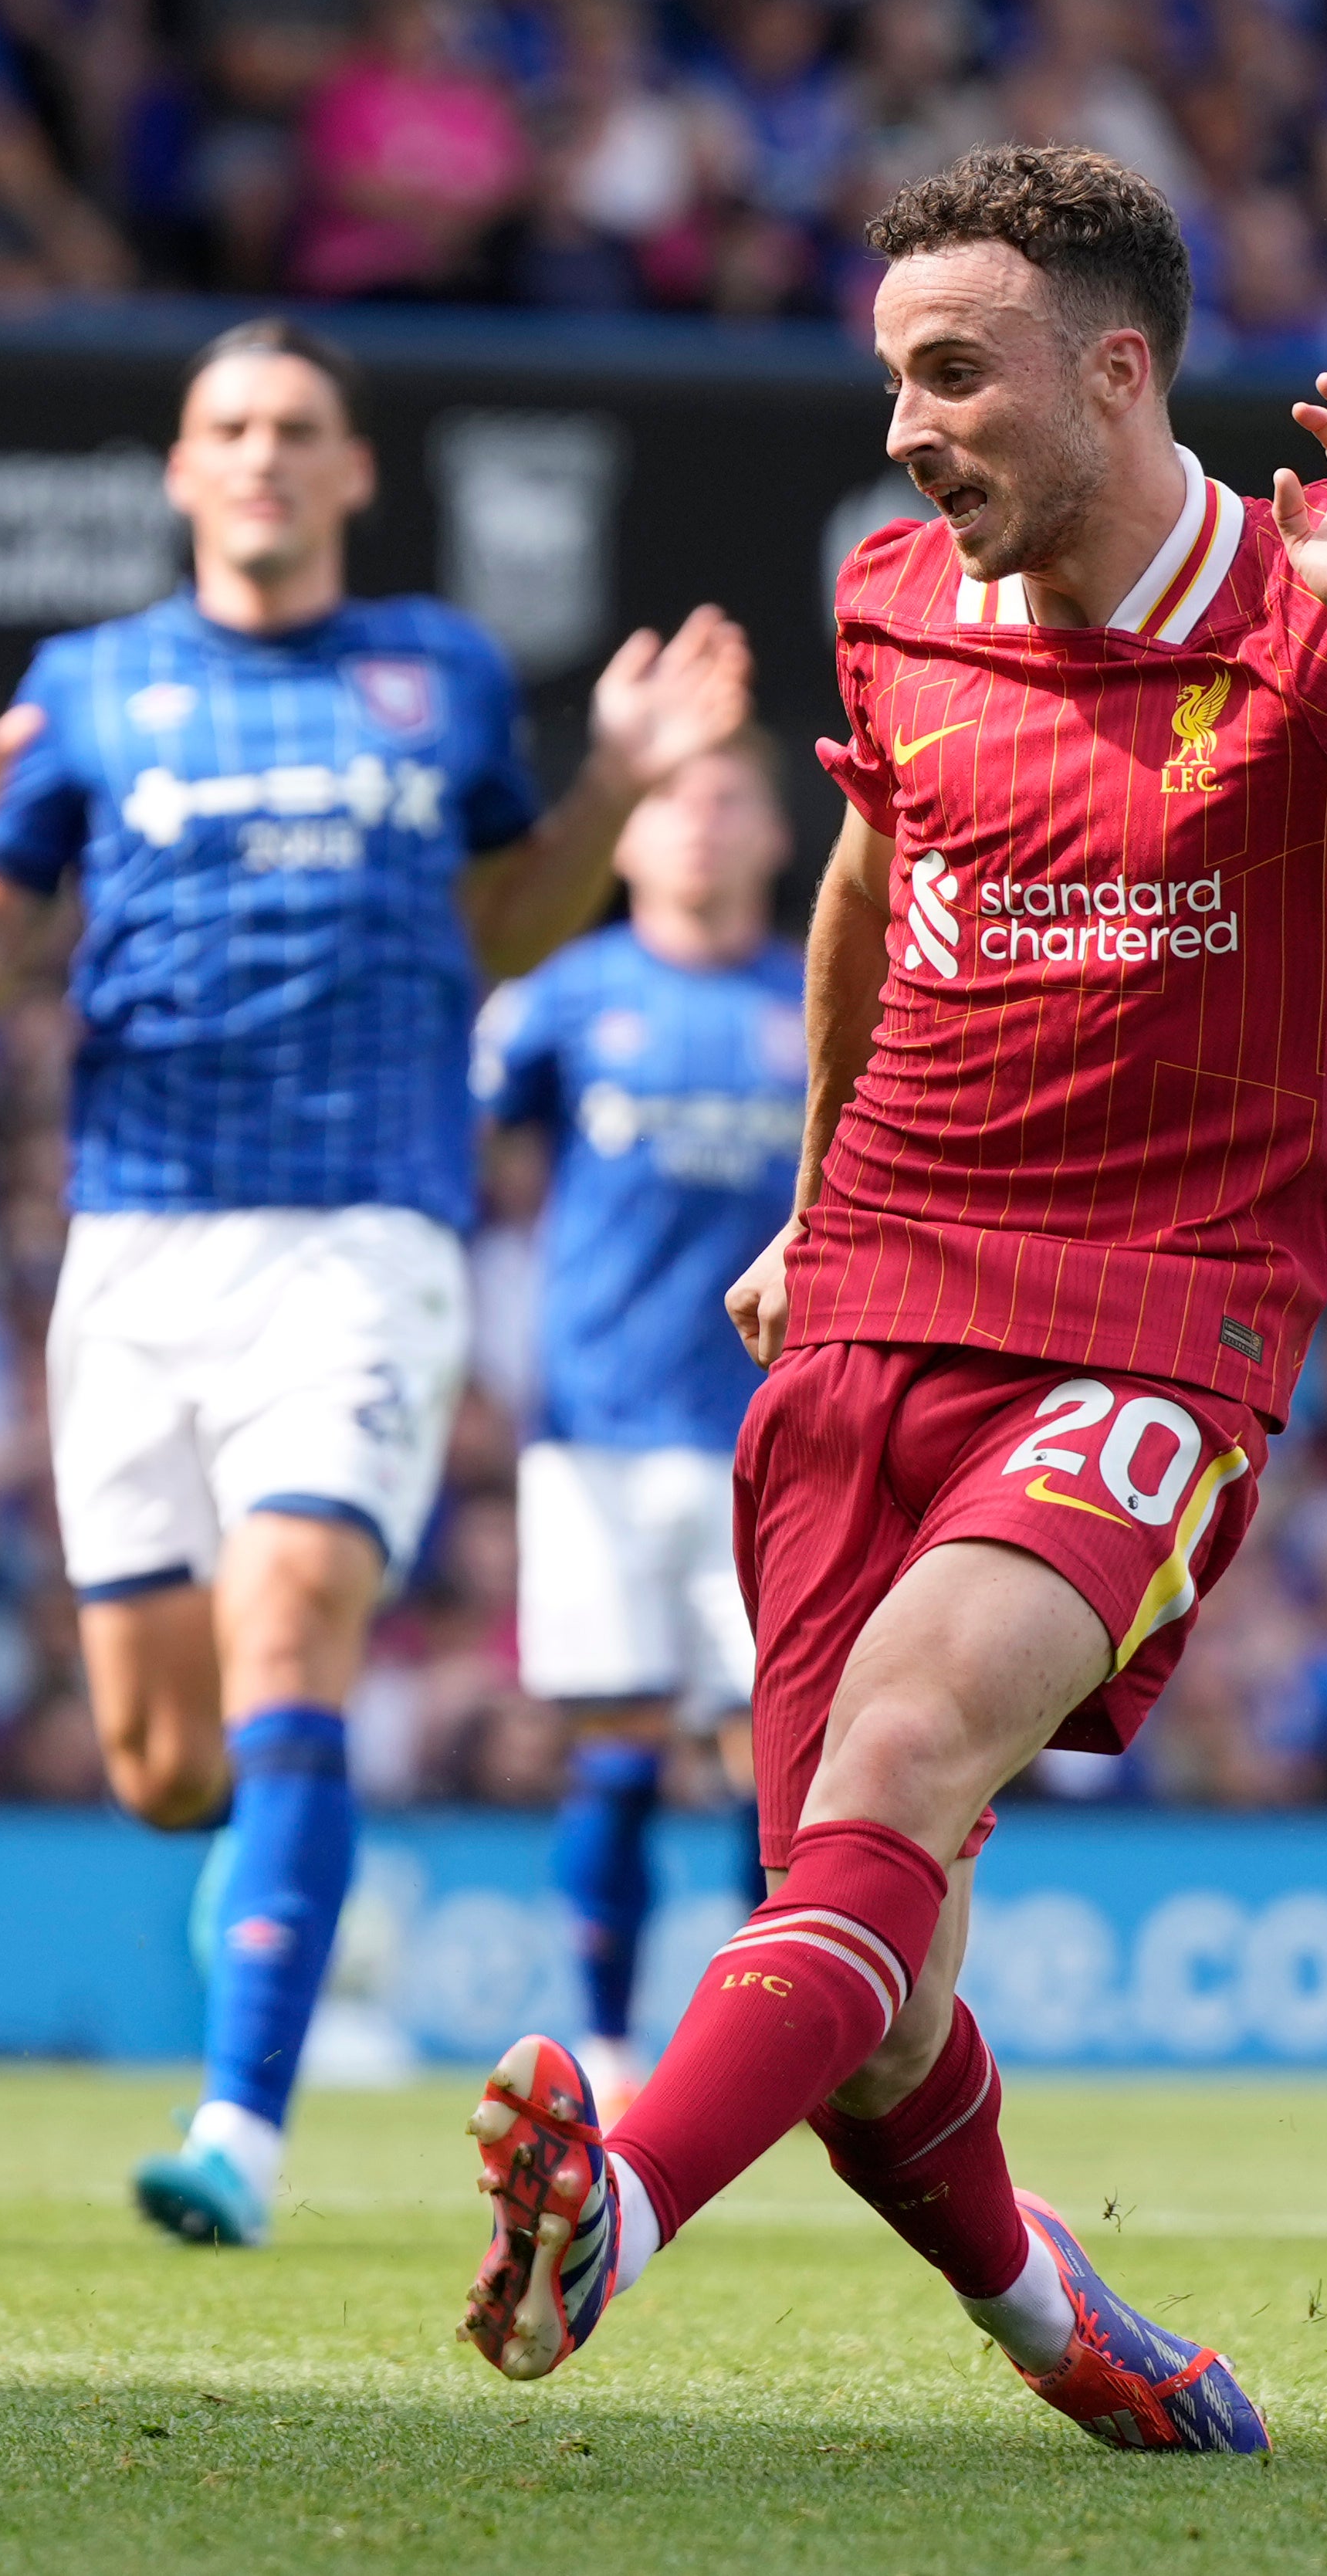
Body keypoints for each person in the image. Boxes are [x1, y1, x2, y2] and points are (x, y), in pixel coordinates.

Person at [453, 145, 1327, 2442]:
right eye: (891, 377)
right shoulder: (895, 594)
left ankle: (615, 2205)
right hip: (866, 1297)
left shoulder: (1322, 608)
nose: (908, 425)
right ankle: (1066, 2328)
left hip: (1158, 1307)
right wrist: (811, 1190)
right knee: (865, 1963)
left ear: (1115, 374)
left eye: (953, 375)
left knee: (908, 1758)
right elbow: (864, 880)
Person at [0, 316, 748, 2246]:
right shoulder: (94, 689)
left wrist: (607, 785)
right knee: (167, 1762)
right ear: (182, 472)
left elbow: (510, 918)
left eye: (299, 431)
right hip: (140, 1243)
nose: (262, 456)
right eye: (228, 428)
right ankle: (260, 1868)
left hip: (364, 1228)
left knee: (292, 1625)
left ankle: (241, 2125)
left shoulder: (430, 673)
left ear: (354, 474)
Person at [474, 726, 801, 2121]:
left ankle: (748, 2061)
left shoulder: (820, 996)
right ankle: (608, 2055)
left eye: (729, 801)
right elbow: (465, 1148)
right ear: (623, 839)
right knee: (613, 1740)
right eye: (672, 804)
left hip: (772, 1439)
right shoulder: (564, 997)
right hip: (596, 1428)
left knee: (761, 1755)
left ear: (778, 838)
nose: (700, 829)